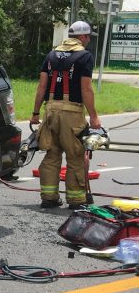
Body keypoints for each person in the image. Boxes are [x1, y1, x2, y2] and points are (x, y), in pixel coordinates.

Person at [30, 20, 101, 210]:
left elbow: (42, 87)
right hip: (72, 113)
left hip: (51, 111)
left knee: (52, 155)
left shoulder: (51, 55)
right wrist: (93, 116)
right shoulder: (84, 56)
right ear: (84, 37)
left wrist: (35, 113)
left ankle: (49, 198)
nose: (88, 41)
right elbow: (86, 89)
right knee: (75, 155)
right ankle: (76, 200)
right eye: (88, 38)